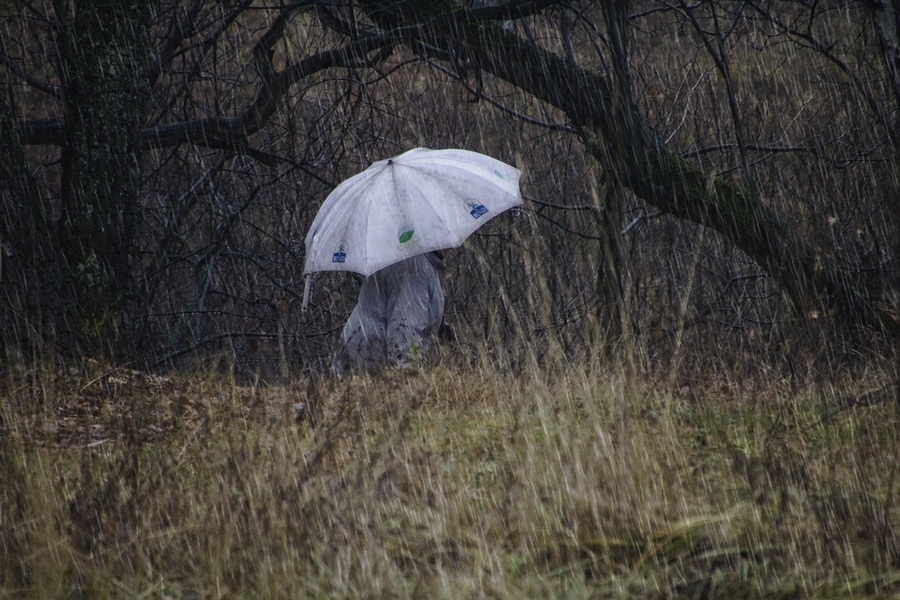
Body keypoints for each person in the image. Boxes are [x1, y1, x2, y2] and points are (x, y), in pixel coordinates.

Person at [331, 251, 445, 377]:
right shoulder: (415, 268)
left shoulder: (411, 259)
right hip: (366, 368)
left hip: (358, 360)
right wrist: (408, 377)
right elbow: (405, 333)